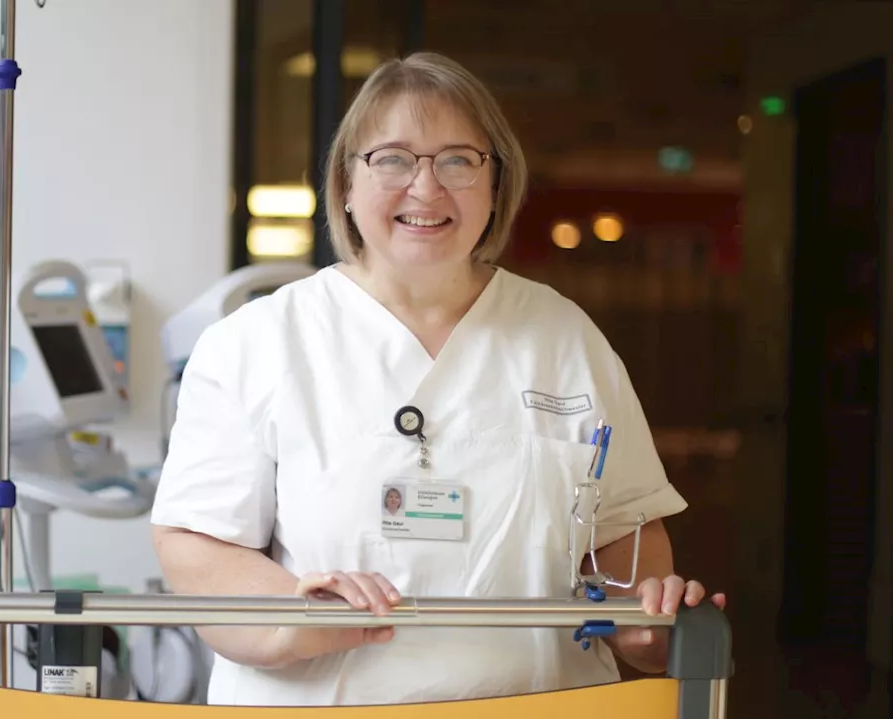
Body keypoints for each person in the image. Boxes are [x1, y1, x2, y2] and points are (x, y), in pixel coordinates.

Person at [149, 51, 726, 707]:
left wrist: (645, 626)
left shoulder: (564, 337)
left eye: (458, 160)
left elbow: (625, 532)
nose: (425, 188)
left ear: (496, 184)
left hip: (538, 699)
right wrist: (293, 614)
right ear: (344, 181)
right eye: (392, 158)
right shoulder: (256, 342)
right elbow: (197, 543)